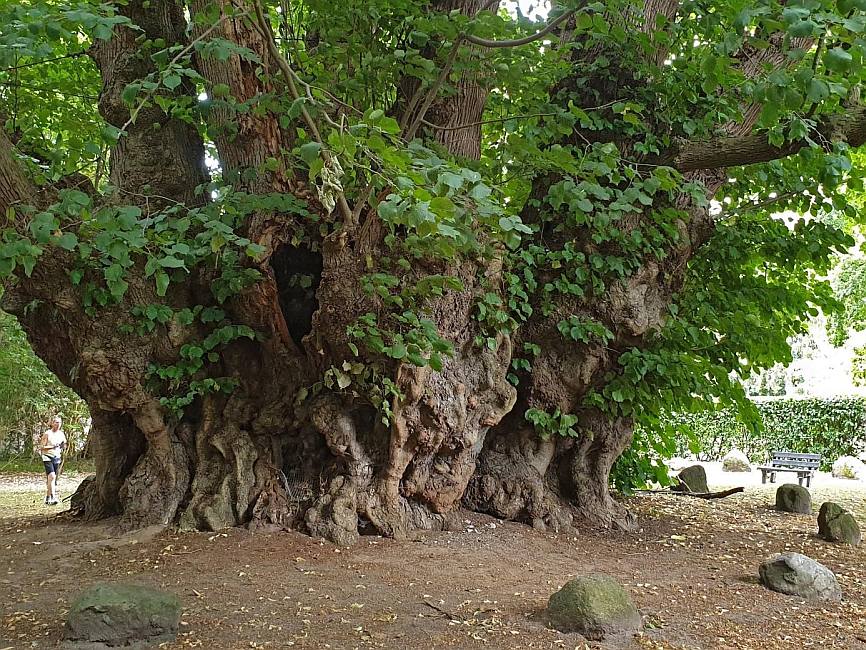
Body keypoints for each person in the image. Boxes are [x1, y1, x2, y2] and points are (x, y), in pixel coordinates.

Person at [39, 416, 66, 506]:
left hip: (57, 457)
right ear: (52, 423)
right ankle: (53, 497)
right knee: (52, 476)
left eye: (59, 422)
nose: (58, 424)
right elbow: (42, 447)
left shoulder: (61, 434)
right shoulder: (47, 433)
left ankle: (47, 497)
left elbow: (64, 445)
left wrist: (63, 446)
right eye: (56, 422)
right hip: (47, 456)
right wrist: (52, 447)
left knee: (52, 479)